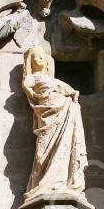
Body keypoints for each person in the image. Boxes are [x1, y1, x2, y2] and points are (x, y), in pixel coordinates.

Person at [21, 47, 87, 199]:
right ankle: (44, 183)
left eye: (42, 56)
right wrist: (41, 94)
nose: (41, 59)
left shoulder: (53, 80)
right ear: (31, 61)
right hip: (48, 115)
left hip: (64, 112)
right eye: (36, 57)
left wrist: (71, 95)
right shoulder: (32, 78)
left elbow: (66, 89)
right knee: (43, 152)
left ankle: (62, 182)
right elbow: (28, 89)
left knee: (64, 147)